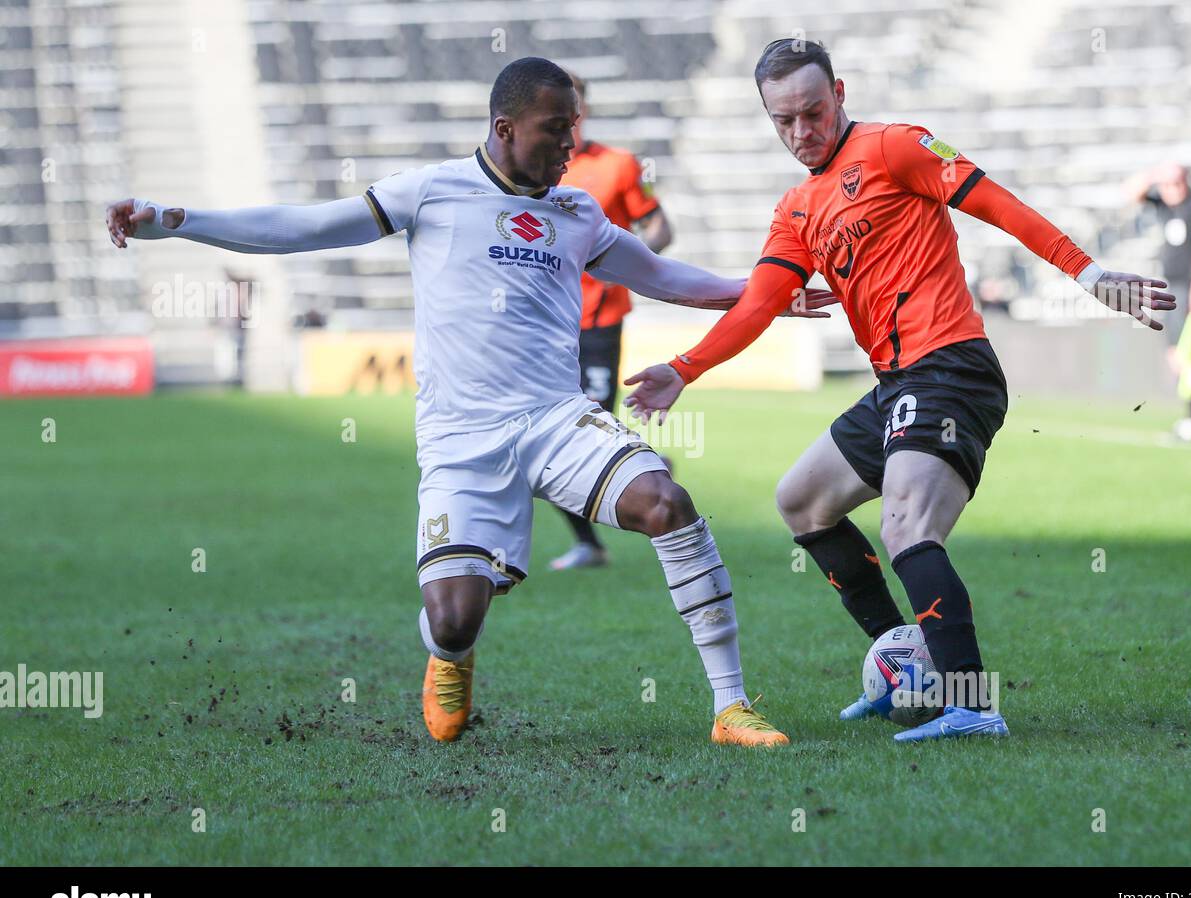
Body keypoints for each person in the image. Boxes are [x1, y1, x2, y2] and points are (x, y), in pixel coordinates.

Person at [106, 57, 836, 746]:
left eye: (575, 128)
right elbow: (304, 229)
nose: (570, 145)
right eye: (556, 130)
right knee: (454, 619)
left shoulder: (577, 212)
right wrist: (179, 220)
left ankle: (729, 705)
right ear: (505, 128)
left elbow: (664, 277)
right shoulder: (431, 191)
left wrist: (766, 296)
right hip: (461, 435)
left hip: (558, 418)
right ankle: (451, 657)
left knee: (666, 503)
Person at [624, 39, 1176, 742]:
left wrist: (1090, 274)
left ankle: (973, 705)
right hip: (899, 383)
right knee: (801, 501)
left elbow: (998, 204)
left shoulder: (898, 147)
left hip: (951, 367)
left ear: (841, 94)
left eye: (813, 112)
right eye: (783, 121)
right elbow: (759, 303)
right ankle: (905, 665)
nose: (802, 132)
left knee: (907, 524)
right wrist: (684, 367)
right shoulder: (796, 209)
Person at [549, 71, 674, 571]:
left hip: (599, 321)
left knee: (590, 424)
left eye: (573, 112)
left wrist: (632, 265)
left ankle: (646, 477)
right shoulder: (531, 171)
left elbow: (660, 224)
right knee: (549, 428)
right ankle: (589, 541)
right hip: (545, 324)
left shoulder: (620, 167)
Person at [1125, 162, 1191, 439]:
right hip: (1171, 289)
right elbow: (1130, 193)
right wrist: (1153, 174)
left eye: (1175, 183)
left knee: (1190, 356)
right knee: (1175, 355)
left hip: (1190, 289)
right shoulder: (1164, 205)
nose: (1170, 189)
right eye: (1166, 184)